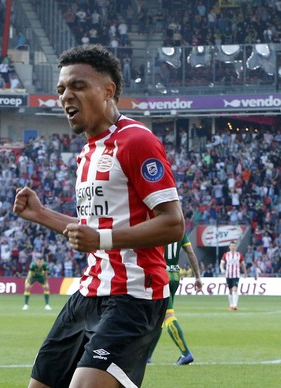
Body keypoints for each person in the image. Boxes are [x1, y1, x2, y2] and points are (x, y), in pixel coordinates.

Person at [12, 44, 184, 388]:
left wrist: (101, 239)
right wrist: (42, 214)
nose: (65, 96)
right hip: (89, 291)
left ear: (109, 90)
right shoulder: (88, 153)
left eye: (78, 86)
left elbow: (173, 223)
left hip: (133, 296)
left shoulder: (136, 141)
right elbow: (89, 231)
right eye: (61, 89)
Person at [146, 233, 203, 365]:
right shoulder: (180, 231)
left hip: (161, 274)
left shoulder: (160, 228)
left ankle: (186, 353)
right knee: (159, 318)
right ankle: (147, 356)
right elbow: (190, 252)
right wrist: (197, 277)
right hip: (175, 275)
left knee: (168, 316)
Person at [220, 242, 247, 310]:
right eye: (231, 246)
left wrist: (245, 272)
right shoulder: (226, 255)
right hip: (228, 274)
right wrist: (222, 269)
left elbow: (243, 264)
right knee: (230, 290)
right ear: (229, 247)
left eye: (234, 246)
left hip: (236, 275)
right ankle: (231, 305)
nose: (233, 247)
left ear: (235, 247)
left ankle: (235, 305)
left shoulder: (239, 255)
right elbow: (222, 263)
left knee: (235, 289)